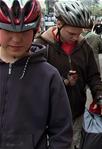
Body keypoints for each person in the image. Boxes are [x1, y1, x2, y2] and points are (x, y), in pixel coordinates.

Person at [33, 1, 102, 149]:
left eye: (79, 33)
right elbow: (35, 81)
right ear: (59, 24)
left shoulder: (84, 46)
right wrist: (65, 81)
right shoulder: (41, 46)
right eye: (72, 33)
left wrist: (99, 96)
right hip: (48, 117)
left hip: (76, 114)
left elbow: (93, 75)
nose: (76, 38)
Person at [0, 0, 73, 148]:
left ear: (35, 31)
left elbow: (62, 133)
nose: (16, 39)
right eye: (8, 31)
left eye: (24, 32)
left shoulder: (49, 76)